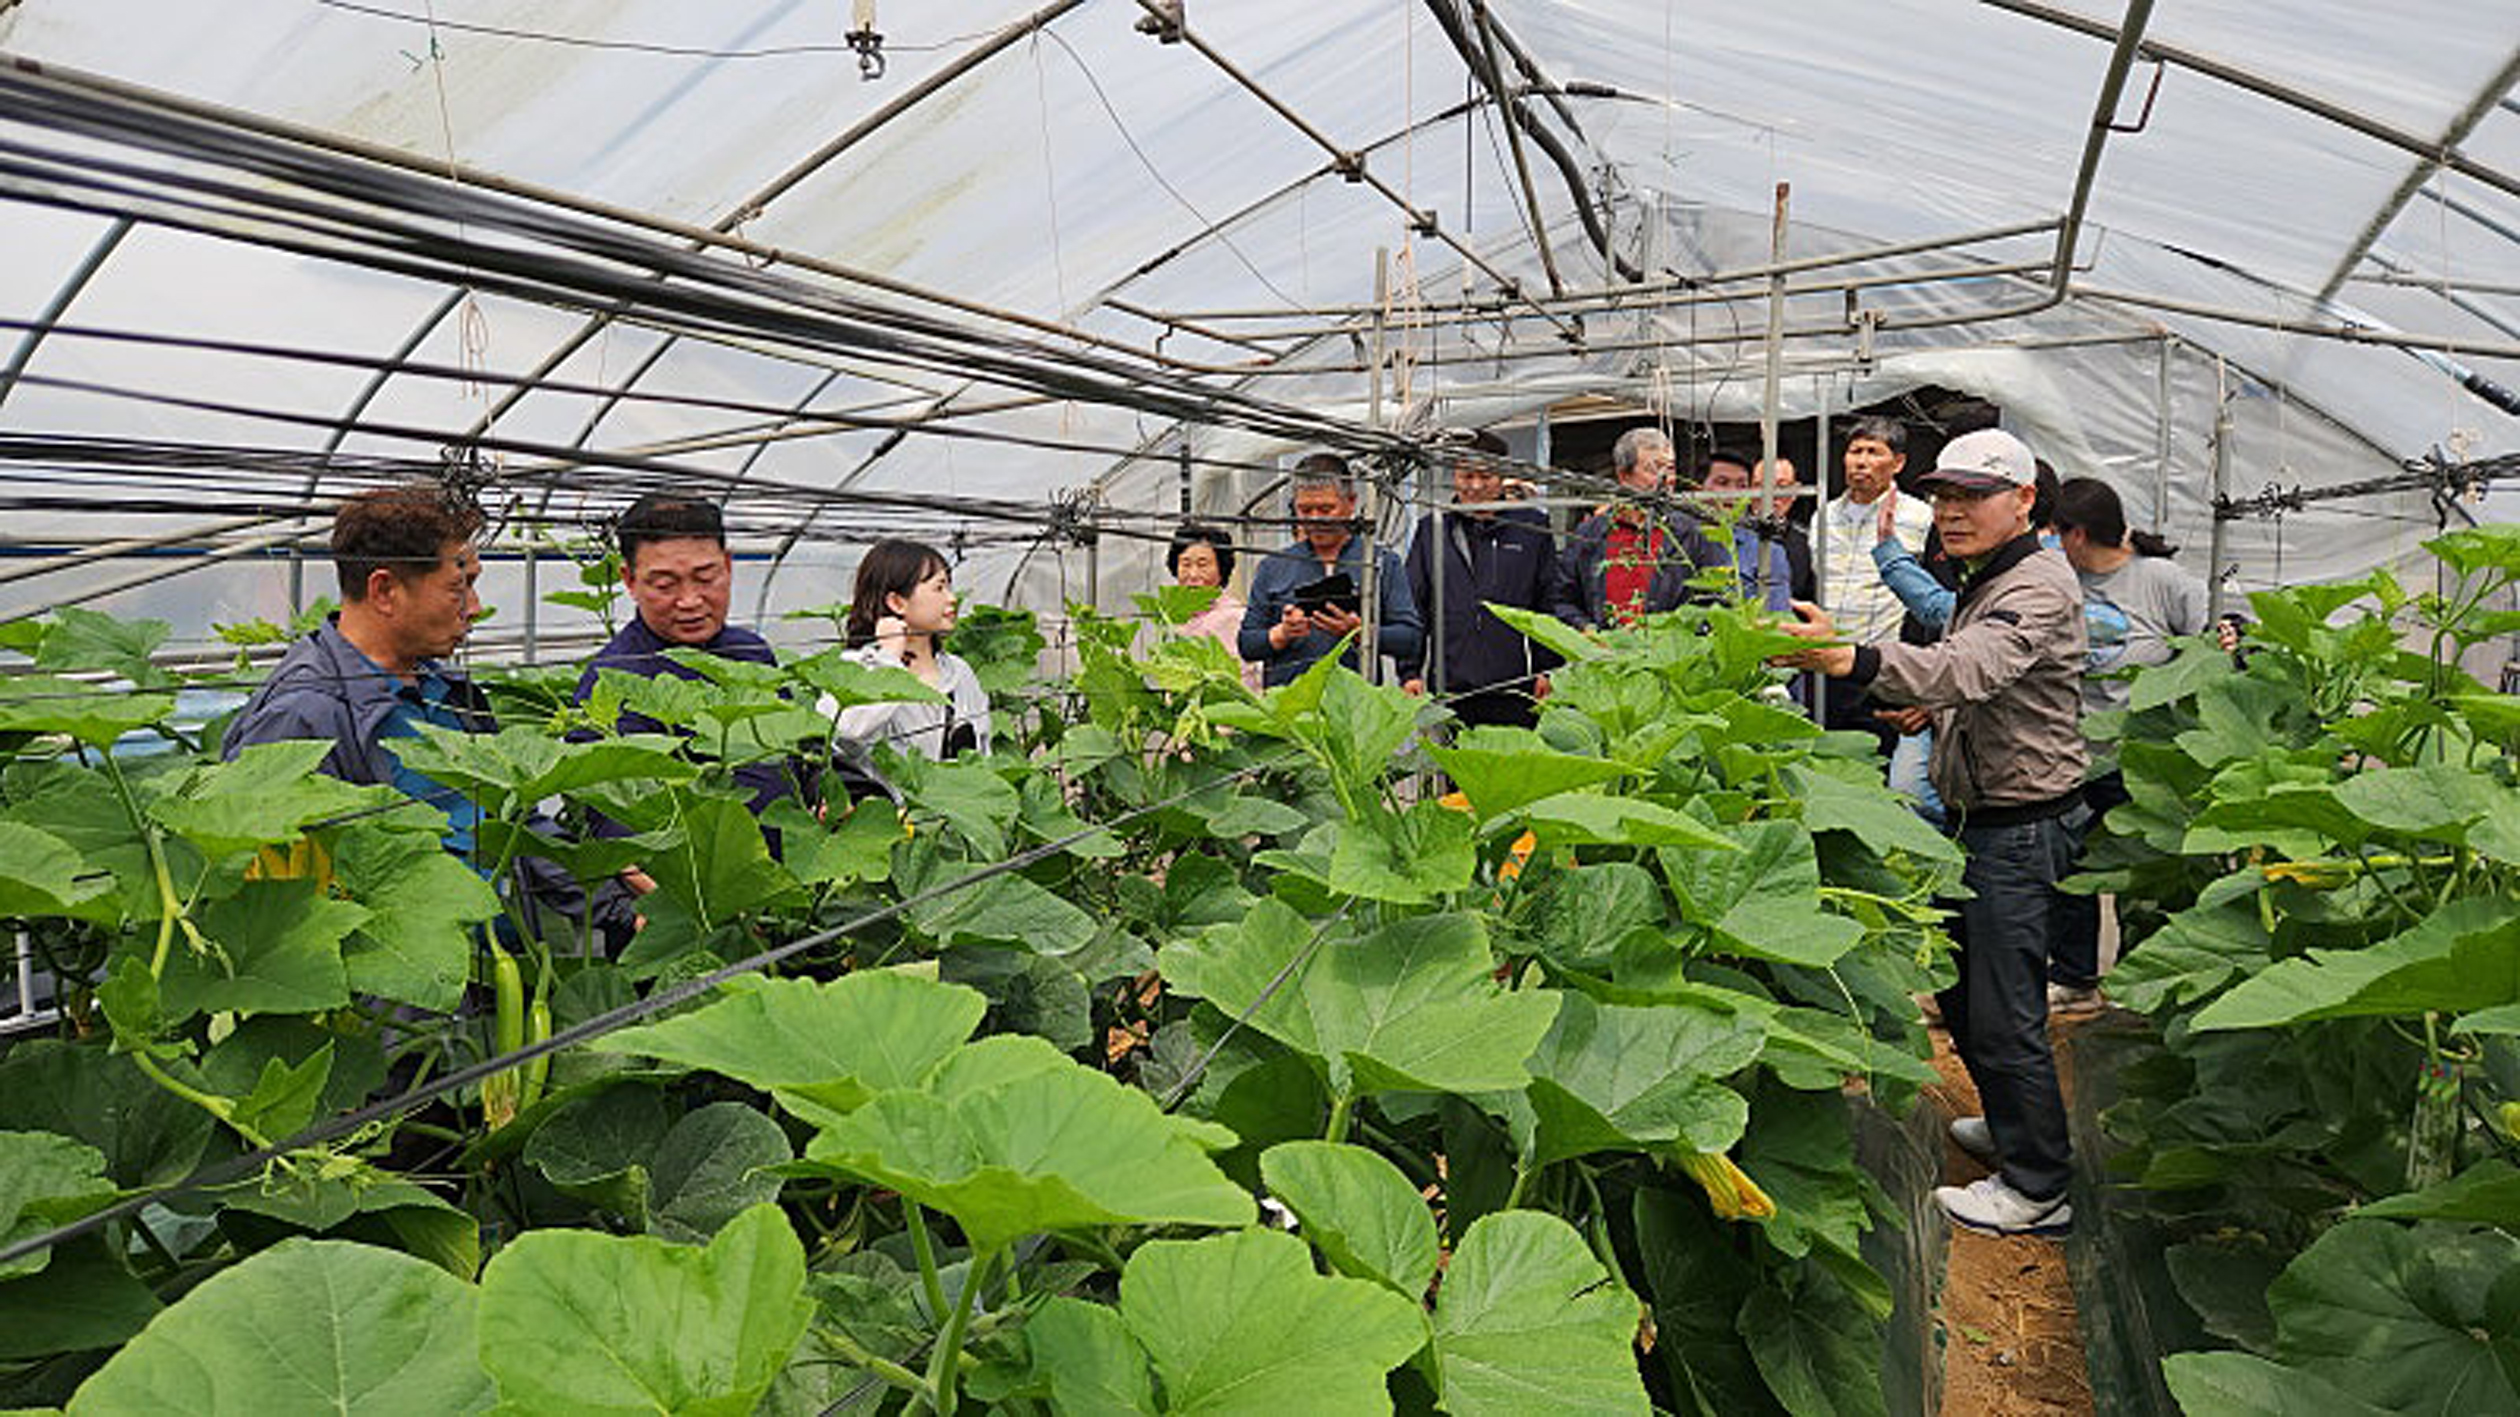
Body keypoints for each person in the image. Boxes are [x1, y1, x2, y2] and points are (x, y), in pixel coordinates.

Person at [1779, 427, 2089, 1238]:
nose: (1951, 512)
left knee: (2005, 1007)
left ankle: (2038, 1184)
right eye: (1944, 496)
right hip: (1980, 817)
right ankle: (2011, 1123)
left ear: (2022, 501)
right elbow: (1959, 647)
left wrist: (1853, 658)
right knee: (1963, 990)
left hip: (2017, 827)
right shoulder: (1992, 574)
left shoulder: (2040, 586)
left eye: (1972, 497)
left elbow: (1972, 666)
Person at [226, 484, 494, 862]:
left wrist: (606, 905)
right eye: (459, 587)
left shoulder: (443, 687)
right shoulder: (300, 718)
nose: (475, 607)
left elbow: (515, 820)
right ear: (384, 591)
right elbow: (285, 894)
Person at [2046, 476, 2210, 1012]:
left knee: (2145, 873)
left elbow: (2205, 648)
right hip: (2074, 753)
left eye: (2056, 530)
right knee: (2073, 868)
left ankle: (2146, 982)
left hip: (2144, 757)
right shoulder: (2059, 582)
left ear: (2077, 533)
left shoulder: (2158, 579)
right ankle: (2075, 978)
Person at [575, 493, 795, 816]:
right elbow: (610, 812)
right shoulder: (611, 678)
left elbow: (799, 750)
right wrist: (632, 866)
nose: (690, 600)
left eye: (706, 577)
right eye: (665, 585)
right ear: (630, 581)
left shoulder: (752, 652)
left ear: (729, 566)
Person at [1400, 429, 1560, 727]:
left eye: (1485, 477)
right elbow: (1415, 604)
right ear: (1454, 477)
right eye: (1465, 476)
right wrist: (1409, 671)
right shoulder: (1433, 529)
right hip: (1450, 687)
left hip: (1515, 686)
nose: (1475, 486)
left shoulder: (1532, 528)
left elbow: (1547, 601)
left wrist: (1547, 668)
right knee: (1452, 768)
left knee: (1513, 766)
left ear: (1502, 477)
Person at [1237, 454, 1425, 688]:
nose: (1316, 519)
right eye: (1305, 510)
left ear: (1351, 503)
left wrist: (1359, 631)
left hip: (1356, 711)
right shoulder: (1274, 566)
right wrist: (1283, 633)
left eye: (1326, 509)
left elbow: (1410, 639)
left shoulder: (1380, 562)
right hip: (1290, 710)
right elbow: (1247, 644)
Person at [1548, 426, 1730, 630]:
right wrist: (1587, 631)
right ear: (1624, 475)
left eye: (1670, 469)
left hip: (1672, 656)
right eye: (1653, 469)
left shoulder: (1696, 534)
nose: (1666, 480)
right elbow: (1562, 600)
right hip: (1604, 655)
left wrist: (1677, 636)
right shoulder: (1589, 535)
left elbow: (1717, 600)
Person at [828, 538, 991, 760]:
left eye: (949, 587)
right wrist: (888, 659)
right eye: (939, 588)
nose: (952, 599)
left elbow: (983, 752)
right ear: (897, 603)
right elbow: (847, 733)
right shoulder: (855, 668)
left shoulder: (959, 672)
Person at [1695, 452, 1796, 614]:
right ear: (1698, 489)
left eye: (1741, 485)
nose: (1732, 493)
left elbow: (1778, 620)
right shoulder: (1675, 542)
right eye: (1723, 483)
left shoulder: (1769, 552)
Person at [1166, 522, 1262, 692]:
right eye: (1186, 564)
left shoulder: (1235, 617)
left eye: (1203, 565)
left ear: (1221, 569)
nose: (1193, 574)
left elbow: (1245, 680)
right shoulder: (1174, 618)